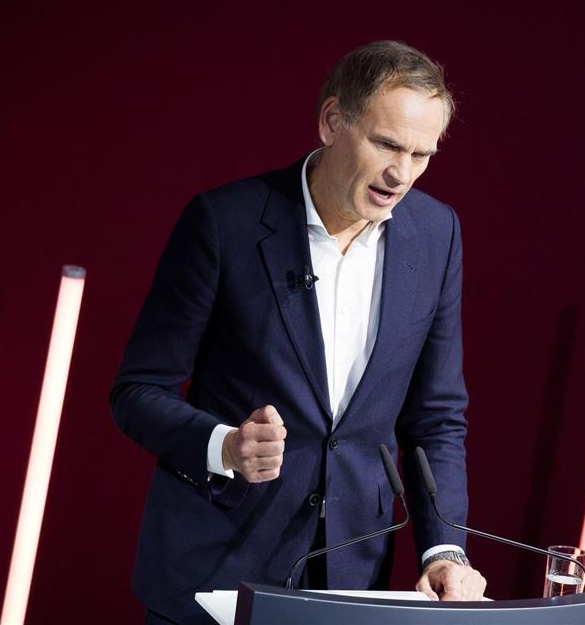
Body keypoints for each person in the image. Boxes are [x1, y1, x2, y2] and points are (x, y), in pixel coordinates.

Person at [110, 40, 486, 624]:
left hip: (349, 579)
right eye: (387, 144)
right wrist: (225, 445)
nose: (401, 173)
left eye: (422, 154)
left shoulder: (437, 235)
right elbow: (137, 392)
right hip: (216, 574)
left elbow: (435, 417)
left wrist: (443, 548)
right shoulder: (223, 223)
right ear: (333, 121)